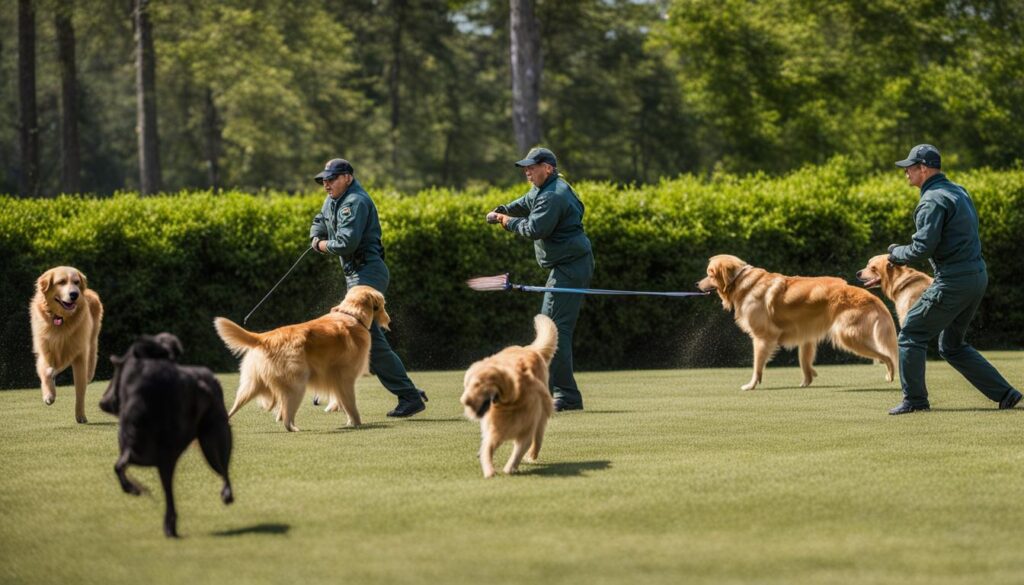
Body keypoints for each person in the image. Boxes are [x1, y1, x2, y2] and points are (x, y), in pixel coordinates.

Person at [886, 144, 1021, 415]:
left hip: (954, 280)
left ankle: (915, 401)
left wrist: (895, 252)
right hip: (976, 276)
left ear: (923, 168)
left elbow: (922, 248)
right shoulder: (959, 191)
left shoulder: (931, 200)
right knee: (952, 345)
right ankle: (1006, 394)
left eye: (909, 168)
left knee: (911, 333)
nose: (906, 173)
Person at [310, 158, 428, 418]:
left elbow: (345, 244)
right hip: (356, 275)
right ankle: (408, 392)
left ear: (348, 177)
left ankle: (408, 396)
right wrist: (315, 235)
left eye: (332, 179)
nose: (326, 184)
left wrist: (319, 245)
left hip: (368, 272)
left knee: (370, 340)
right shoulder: (334, 199)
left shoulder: (355, 202)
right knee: (361, 337)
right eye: (324, 180)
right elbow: (320, 219)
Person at [486, 147, 594, 412]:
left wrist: (504, 220)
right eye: (526, 167)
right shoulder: (544, 188)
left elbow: (535, 228)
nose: (527, 171)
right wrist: (504, 209)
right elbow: (525, 202)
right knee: (550, 330)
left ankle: (566, 396)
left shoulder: (554, 195)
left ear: (548, 167)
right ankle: (552, 391)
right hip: (565, 266)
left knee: (553, 332)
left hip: (570, 267)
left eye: (532, 167)